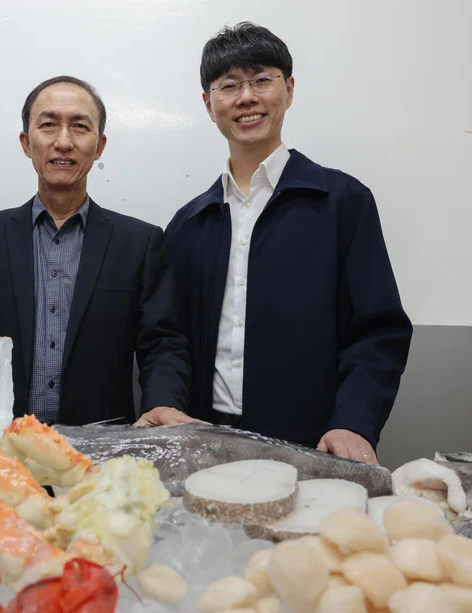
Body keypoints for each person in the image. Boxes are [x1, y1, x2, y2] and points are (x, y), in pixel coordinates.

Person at [165, 23, 412, 465]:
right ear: (209, 104)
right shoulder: (189, 223)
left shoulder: (342, 203)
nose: (246, 97)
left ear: (289, 89)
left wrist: (354, 421)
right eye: (228, 86)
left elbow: (379, 332)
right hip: (205, 442)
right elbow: (171, 339)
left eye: (262, 79)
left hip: (314, 444)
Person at [0, 75, 192, 428]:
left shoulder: (141, 242)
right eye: (48, 125)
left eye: (79, 127)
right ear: (27, 143)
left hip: (101, 455)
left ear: (99, 145)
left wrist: (163, 402)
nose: (63, 142)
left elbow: (162, 345)